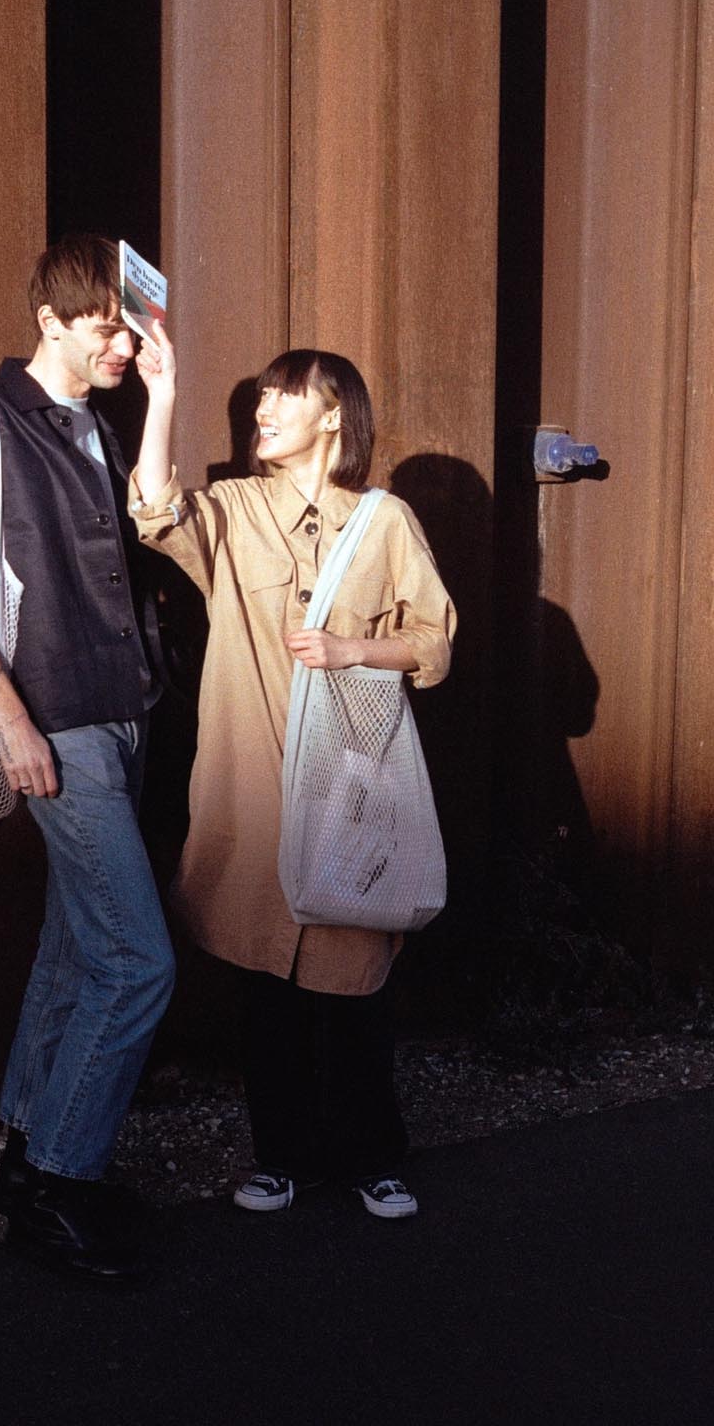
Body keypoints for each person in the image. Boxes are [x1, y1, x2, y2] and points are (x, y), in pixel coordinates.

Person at [129, 320, 454, 1219]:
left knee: (353, 992)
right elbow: (154, 511)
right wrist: (160, 393)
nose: (263, 409)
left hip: (348, 793)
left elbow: (433, 643)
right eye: (261, 397)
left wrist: (352, 646)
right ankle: (282, 1157)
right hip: (251, 795)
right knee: (265, 997)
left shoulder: (385, 522)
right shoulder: (234, 509)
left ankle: (372, 1158)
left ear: (333, 417)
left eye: (284, 393)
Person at [0, 235, 175, 1283]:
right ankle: (62, 1179)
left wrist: (164, 391)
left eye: (132, 322)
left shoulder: (101, 427)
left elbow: (155, 522)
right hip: (54, 716)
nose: (123, 339)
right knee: (136, 959)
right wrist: (9, 716)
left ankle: (27, 1148)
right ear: (51, 320)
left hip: (126, 712)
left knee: (77, 943)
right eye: (106, 321)